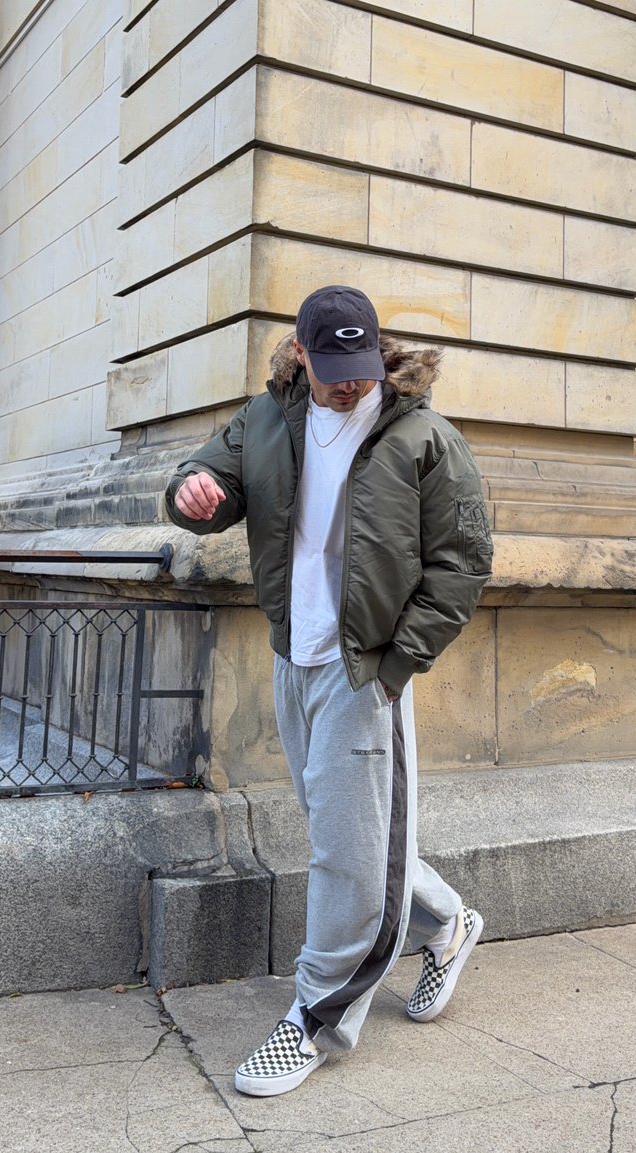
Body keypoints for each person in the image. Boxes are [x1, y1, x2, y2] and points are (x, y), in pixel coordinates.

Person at [165, 285, 493, 1097]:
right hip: (294, 656)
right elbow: (211, 476)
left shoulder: (423, 435)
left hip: (364, 668)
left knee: (346, 850)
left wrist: (395, 665)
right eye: (331, 369)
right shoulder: (270, 417)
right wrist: (190, 491)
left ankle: (317, 1014)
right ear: (301, 353)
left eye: (360, 367)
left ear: (376, 351)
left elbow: (463, 561)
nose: (349, 385)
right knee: (344, 830)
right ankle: (446, 919)